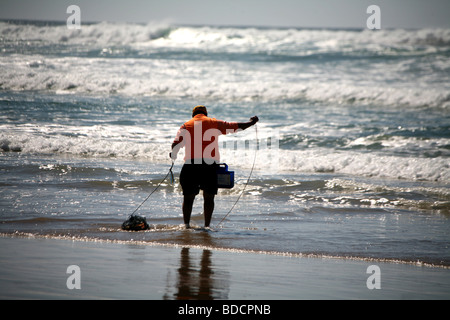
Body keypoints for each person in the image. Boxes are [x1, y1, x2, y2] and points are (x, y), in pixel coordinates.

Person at [170, 105, 258, 229]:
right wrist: (251, 123)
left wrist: (173, 155)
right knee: (209, 197)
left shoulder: (185, 125)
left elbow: (175, 144)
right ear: (205, 114)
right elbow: (235, 127)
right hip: (209, 166)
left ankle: (186, 225)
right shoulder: (213, 123)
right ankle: (207, 226)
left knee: (188, 197)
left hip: (191, 166)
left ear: (193, 115)